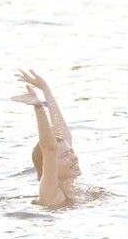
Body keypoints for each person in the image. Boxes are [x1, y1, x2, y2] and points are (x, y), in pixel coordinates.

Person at [11, 69, 81, 206]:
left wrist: (46, 90)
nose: (74, 156)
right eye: (66, 155)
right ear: (50, 165)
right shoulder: (51, 193)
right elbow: (50, 149)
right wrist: (39, 108)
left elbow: (64, 136)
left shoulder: (69, 184)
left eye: (71, 152)